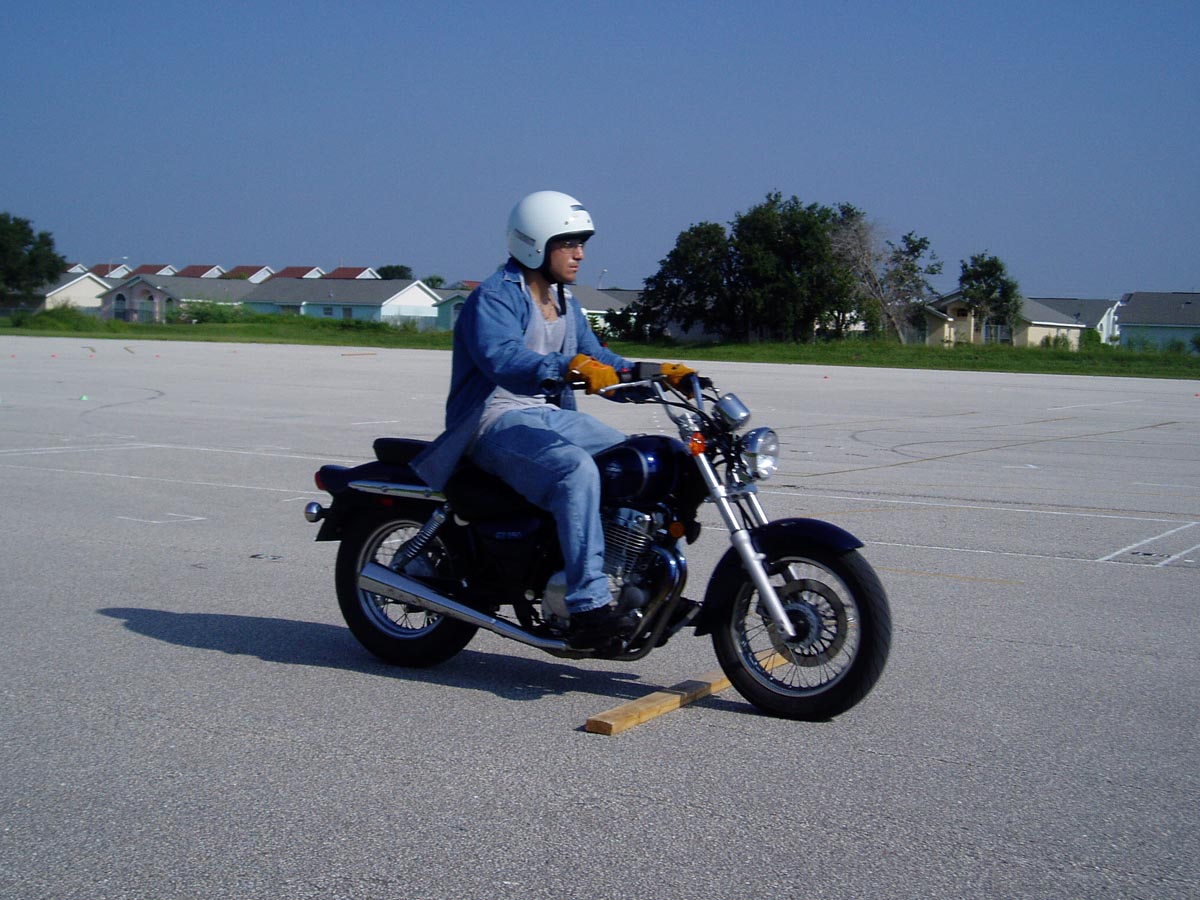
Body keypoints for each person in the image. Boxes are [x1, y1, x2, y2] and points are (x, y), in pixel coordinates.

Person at [411, 190, 695, 647]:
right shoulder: (494, 298)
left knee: (640, 462)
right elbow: (503, 360)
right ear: (534, 244)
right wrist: (567, 366)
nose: (580, 254)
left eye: (581, 243)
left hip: (545, 415)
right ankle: (588, 607)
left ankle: (640, 580)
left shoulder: (565, 301)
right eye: (568, 244)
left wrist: (659, 374)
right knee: (575, 471)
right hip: (491, 420)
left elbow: (600, 360)